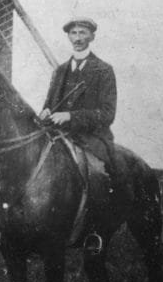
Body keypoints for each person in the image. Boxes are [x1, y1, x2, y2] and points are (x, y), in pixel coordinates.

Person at [38, 17, 121, 188]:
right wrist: (45, 111)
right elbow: (49, 103)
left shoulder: (104, 70)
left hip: (90, 139)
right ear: (68, 36)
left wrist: (70, 116)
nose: (77, 38)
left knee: (98, 177)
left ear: (92, 37)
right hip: (59, 137)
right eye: (73, 33)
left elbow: (107, 114)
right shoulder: (60, 71)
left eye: (83, 33)